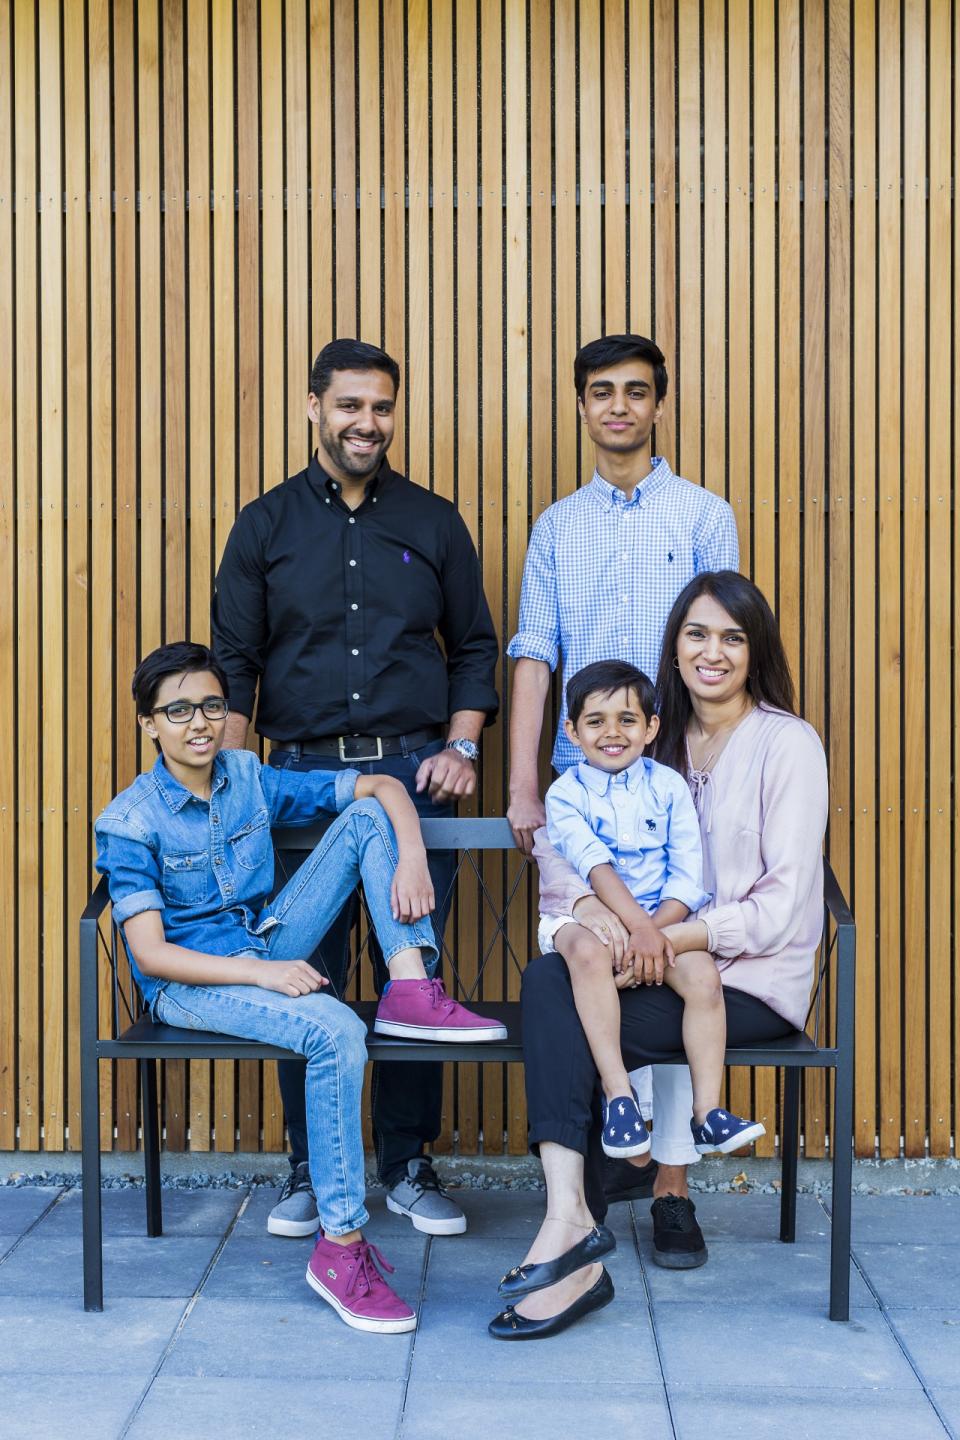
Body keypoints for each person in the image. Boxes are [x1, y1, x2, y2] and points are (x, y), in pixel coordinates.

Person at [95, 642, 503, 1334]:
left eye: (213, 707)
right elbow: (152, 954)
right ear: (149, 723)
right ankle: (340, 1249)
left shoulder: (248, 775)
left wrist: (410, 858)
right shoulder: (131, 821)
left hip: (261, 942)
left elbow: (383, 789)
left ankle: (410, 988)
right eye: (180, 710)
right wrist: (263, 972)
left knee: (370, 814)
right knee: (336, 1027)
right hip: (193, 983)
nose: (200, 723)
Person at [211, 338, 500, 1240]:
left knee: (415, 971)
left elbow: (477, 649)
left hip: (415, 774)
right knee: (305, 978)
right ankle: (309, 1167)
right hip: (298, 781)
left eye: (381, 407)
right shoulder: (262, 527)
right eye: (349, 406)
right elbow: (235, 664)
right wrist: (227, 789)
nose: (366, 424)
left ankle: (409, 1165)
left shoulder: (434, 520)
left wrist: (462, 743)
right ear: (312, 407)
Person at [490, 573, 828, 1339]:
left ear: (756, 650)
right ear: (673, 648)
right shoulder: (649, 737)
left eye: (733, 637)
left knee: (555, 994)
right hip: (649, 960)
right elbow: (563, 846)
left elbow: (782, 906)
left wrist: (658, 938)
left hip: (745, 982)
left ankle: (573, 1235)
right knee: (556, 978)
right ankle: (574, 1218)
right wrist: (591, 916)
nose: (713, 652)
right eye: (697, 634)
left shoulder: (787, 743)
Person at [505, 332, 740, 1215]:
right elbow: (534, 654)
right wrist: (527, 783)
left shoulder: (703, 515)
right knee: (595, 954)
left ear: (658, 405)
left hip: (673, 782)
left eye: (636, 392)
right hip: (578, 796)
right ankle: (605, 1161)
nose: (618, 407)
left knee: (663, 957)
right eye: (601, 391)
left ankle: (673, 1185)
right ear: (581, 405)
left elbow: (722, 648)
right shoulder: (557, 526)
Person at [542, 659, 764, 1158]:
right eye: (595, 721)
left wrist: (651, 933)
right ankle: (620, 1097)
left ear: (651, 728)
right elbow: (593, 865)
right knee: (587, 954)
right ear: (572, 731)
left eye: (627, 719)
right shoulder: (565, 793)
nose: (612, 733)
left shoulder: (669, 787)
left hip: (663, 923)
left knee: (704, 976)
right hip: (587, 918)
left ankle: (707, 1113)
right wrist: (634, 931)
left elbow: (688, 879)